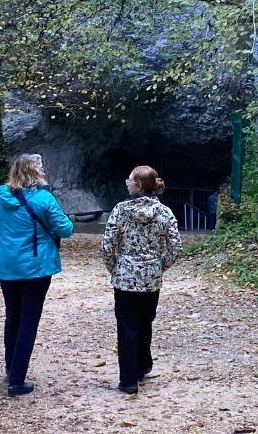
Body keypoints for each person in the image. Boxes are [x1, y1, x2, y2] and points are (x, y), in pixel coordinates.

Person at [0, 153, 74, 396]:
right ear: (33, 172)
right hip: (36, 269)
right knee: (28, 321)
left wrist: (2, 255)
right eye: (41, 168)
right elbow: (65, 229)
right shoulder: (44, 199)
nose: (44, 171)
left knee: (12, 317)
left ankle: (11, 368)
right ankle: (16, 380)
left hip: (8, 269)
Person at [101, 165, 181, 394]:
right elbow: (176, 247)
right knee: (146, 321)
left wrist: (115, 268)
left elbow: (107, 246)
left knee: (127, 325)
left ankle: (128, 380)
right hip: (151, 278)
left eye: (129, 179)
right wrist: (159, 266)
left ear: (137, 185)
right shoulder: (165, 212)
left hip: (125, 277)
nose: (126, 181)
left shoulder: (120, 210)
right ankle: (143, 365)